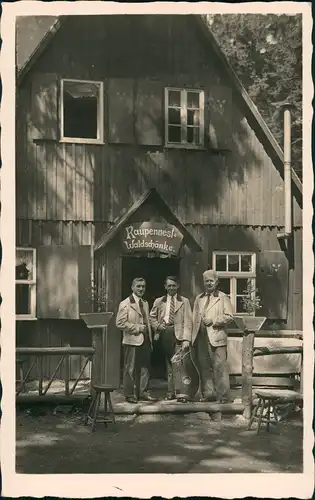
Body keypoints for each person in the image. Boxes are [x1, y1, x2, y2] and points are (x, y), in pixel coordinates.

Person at [192, 269, 234, 403]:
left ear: (216, 282)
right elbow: (194, 318)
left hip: (217, 337)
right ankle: (209, 394)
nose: (209, 283)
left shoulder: (223, 297)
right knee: (204, 367)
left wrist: (213, 320)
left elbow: (229, 316)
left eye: (211, 281)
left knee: (220, 367)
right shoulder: (199, 298)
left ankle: (224, 397)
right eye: (206, 281)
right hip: (201, 338)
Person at [149, 276, 192, 402]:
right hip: (165, 333)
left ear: (178, 286)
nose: (171, 288)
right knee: (169, 363)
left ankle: (182, 393)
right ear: (165, 287)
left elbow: (188, 321)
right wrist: (158, 325)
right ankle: (170, 391)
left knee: (180, 363)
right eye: (169, 285)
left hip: (178, 333)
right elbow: (152, 318)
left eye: (174, 285)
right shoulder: (159, 301)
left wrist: (186, 339)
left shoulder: (184, 301)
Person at [116, 277, 157, 403]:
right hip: (132, 340)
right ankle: (130, 394)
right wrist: (137, 328)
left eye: (143, 286)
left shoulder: (145, 303)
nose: (141, 289)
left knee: (145, 368)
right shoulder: (125, 303)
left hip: (145, 340)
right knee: (130, 368)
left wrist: (151, 336)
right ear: (132, 287)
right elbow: (120, 323)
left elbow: (147, 321)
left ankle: (143, 392)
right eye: (138, 286)